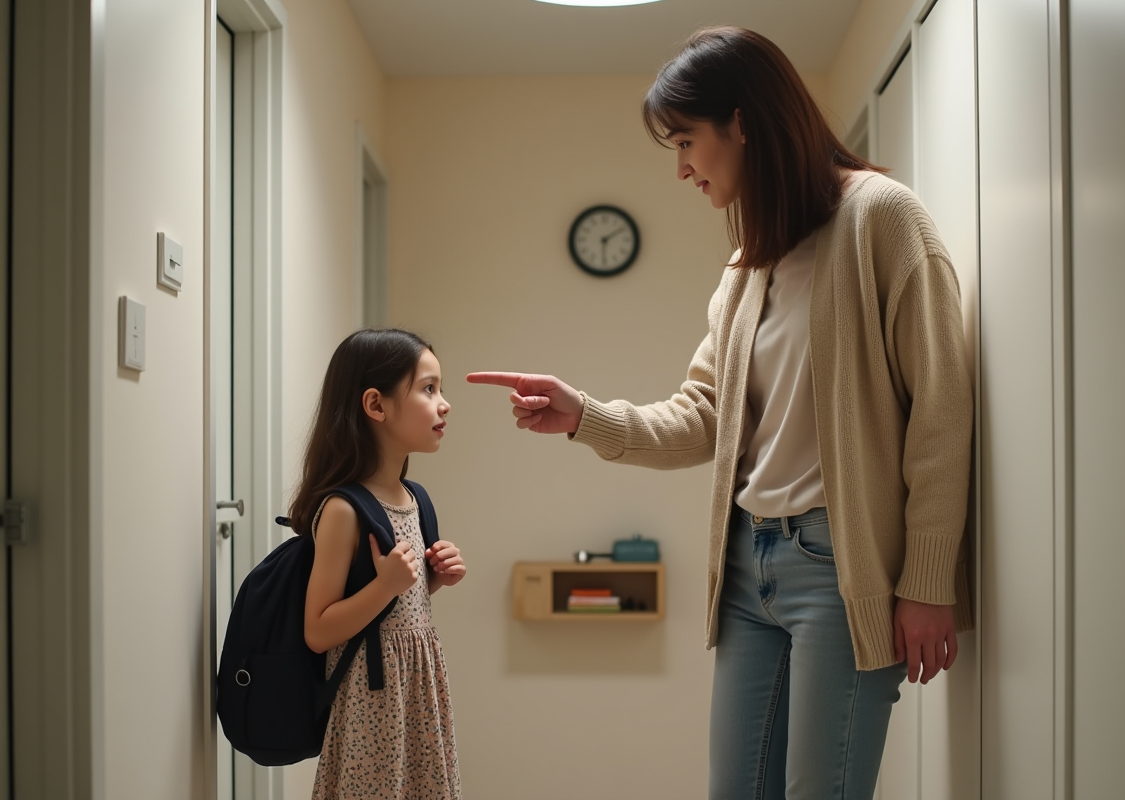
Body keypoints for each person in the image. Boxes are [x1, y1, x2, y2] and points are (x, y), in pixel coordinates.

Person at [467, 25, 973, 800]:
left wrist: (928, 580)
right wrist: (584, 416)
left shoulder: (883, 219)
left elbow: (940, 410)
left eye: (685, 142)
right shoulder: (747, 265)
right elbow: (705, 416)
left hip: (841, 568)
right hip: (747, 568)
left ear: (742, 121)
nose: (681, 170)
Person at [295, 328, 465, 800]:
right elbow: (319, 629)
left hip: (416, 692)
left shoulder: (416, 499)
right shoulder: (344, 510)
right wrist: (388, 586)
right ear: (376, 405)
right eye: (429, 389)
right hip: (371, 704)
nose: (444, 403)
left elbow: (392, 602)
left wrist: (431, 580)